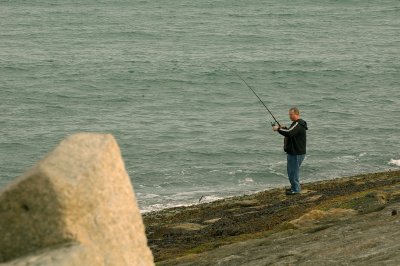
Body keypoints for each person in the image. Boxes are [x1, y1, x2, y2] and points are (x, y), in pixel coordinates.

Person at [272, 107, 308, 195]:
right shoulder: (296, 124)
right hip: (294, 152)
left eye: (291, 114)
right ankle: (294, 188)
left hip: (296, 153)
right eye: (289, 114)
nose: (289, 116)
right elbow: (290, 131)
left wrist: (278, 129)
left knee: (293, 172)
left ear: (296, 114)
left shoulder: (298, 124)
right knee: (291, 171)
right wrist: (283, 128)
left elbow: (289, 133)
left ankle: (296, 189)